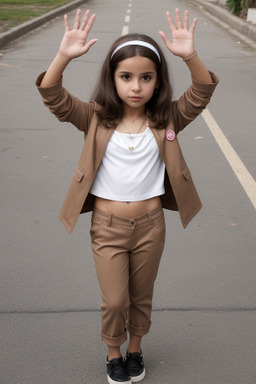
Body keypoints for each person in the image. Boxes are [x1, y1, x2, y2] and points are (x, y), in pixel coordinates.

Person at [36, 7, 219, 384]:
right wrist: (64, 55)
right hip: (107, 226)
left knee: (141, 295)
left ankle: (134, 350)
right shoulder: (94, 118)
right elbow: (52, 95)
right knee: (115, 299)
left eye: (146, 78)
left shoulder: (167, 118)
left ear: (157, 81)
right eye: (126, 77)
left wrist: (189, 56)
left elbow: (201, 92)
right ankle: (112, 353)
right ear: (112, 79)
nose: (136, 86)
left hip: (151, 225)